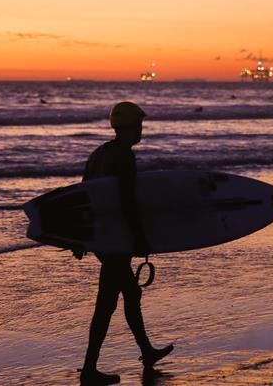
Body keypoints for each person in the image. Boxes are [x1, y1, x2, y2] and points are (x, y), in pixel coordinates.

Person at [78, 101, 173, 386]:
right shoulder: (123, 156)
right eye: (139, 125)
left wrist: (80, 237)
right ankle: (89, 370)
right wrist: (139, 237)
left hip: (102, 237)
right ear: (131, 126)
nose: (141, 130)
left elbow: (83, 195)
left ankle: (146, 351)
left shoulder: (98, 154)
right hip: (116, 238)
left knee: (130, 293)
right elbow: (127, 201)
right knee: (107, 303)